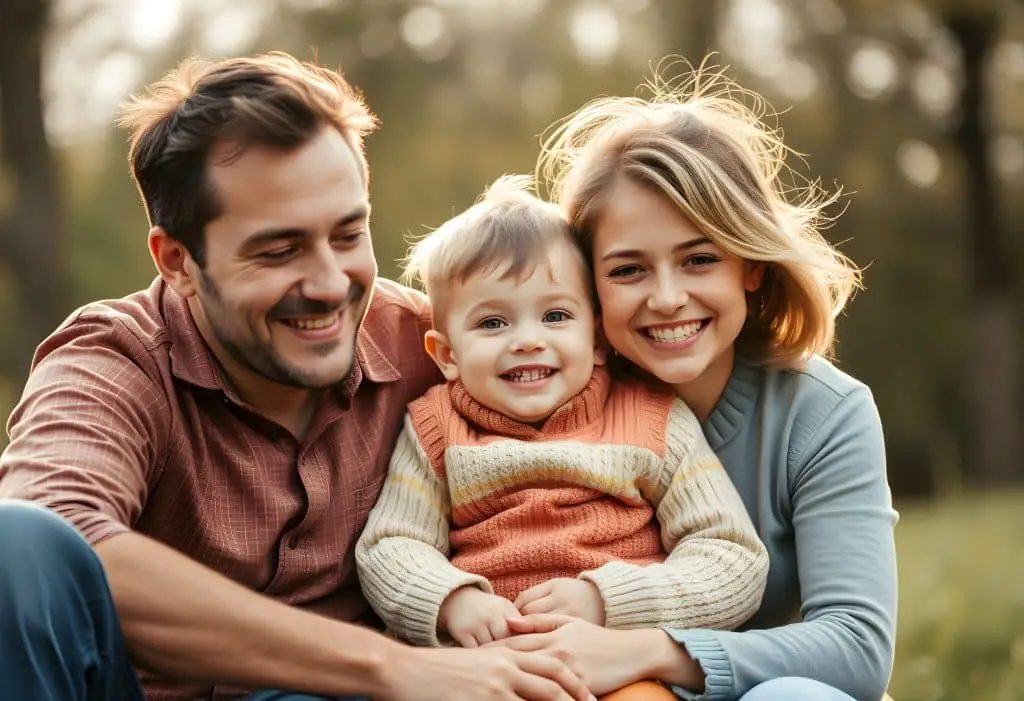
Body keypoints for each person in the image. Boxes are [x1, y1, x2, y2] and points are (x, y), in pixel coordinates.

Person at [0, 52, 593, 701]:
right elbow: (51, 542)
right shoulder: (116, 360)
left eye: (347, 235)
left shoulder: (440, 348)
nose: (330, 285)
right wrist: (389, 665)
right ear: (177, 260)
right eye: (279, 250)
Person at [488, 60, 899, 701]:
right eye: (628, 270)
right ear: (585, 283)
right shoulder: (539, 393)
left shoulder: (823, 414)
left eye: (699, 259)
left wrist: (642, 650)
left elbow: (856, 646)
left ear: (751, 267)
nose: (668, 297)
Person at [354, 176, 769, 663]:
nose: (528, 340)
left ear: (596, 339)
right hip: (484, 665)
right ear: (447, 355)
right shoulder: (435, 427)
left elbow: (732, 558)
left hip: (618, 666)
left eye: (554, 316)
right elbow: (390, 544)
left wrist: (607, 600)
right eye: (492, 323)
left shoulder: (652, 419)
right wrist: (452, 600)